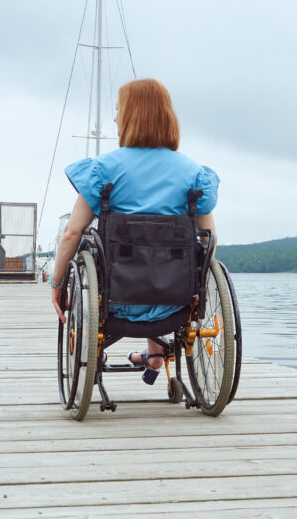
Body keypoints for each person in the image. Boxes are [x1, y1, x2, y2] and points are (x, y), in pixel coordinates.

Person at [50, 78, 219, 382]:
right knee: (164, 255)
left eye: (118, 110)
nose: (115, 118)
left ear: (131, 115)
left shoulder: (103, 170)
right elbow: (209, 242)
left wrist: (56, 283)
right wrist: (199, 286)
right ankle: (155, 349)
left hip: (116, 300)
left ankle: (97, 348)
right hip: (175, 301)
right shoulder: (193, 174)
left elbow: (71, 234)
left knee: (96, 248)